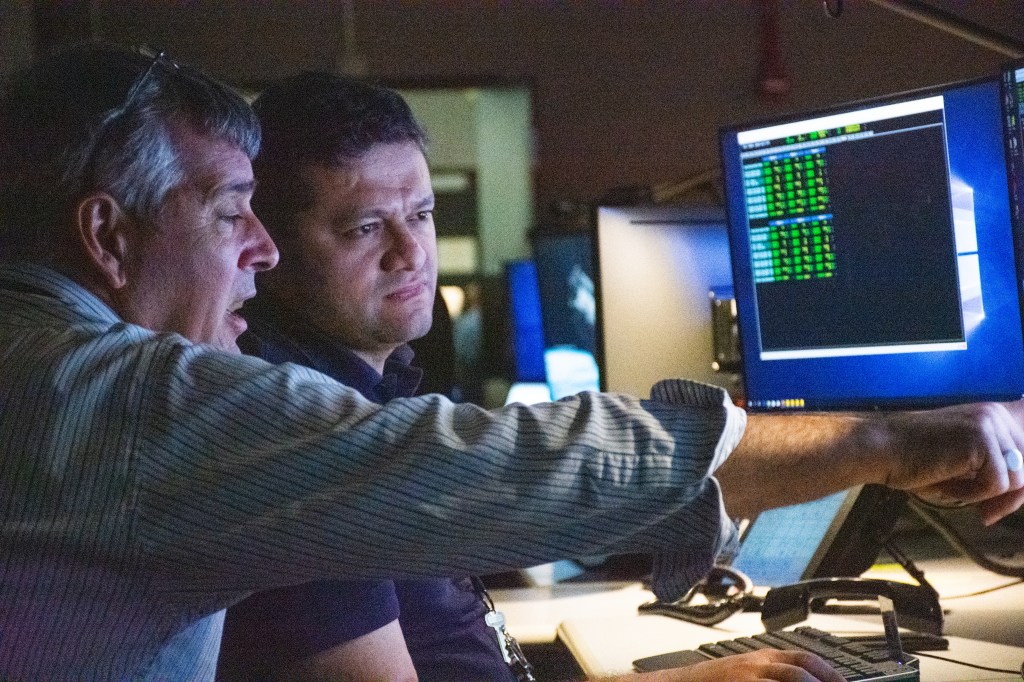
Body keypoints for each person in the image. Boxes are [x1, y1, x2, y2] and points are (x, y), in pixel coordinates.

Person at [0, 44, 1021, 682]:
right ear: (107, 234)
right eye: (231, 213)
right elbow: (480, 467)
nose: (257, 253)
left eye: (421, 214)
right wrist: (883, 439)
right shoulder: (122, 401)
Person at [217, 72, 517, 681]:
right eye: (367, 227)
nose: (412, 252)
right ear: (270, 248)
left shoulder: (377, 392)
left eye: (423, 214)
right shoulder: (294, 436)